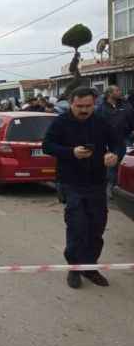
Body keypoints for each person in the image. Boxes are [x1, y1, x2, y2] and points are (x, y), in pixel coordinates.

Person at [43, 87, 119, 289]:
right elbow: (47, 146)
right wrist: (70, 152)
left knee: (96, 228)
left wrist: (114, 155)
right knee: (77, 226)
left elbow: (118, 143)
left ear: (94, 104)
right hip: (70, 182)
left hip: (96, 182)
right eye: (79, 106)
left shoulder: (101, 121)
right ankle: (75, 268)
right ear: (71, 103)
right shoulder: (61, 122)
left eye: (88, 106)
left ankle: (90, 267)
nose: (84, 110)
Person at [95, 85, 134, 193]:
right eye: (117, 90)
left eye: (119, 90)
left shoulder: (126, 105)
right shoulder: (101, 108)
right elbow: (97, 125)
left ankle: (123, 187)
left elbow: (131, 119)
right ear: (109, 94)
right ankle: (111, 188)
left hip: (125, 139)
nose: (120, 92)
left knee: (126, 163)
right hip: (109, 141)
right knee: (112, 164)